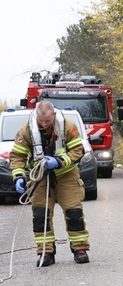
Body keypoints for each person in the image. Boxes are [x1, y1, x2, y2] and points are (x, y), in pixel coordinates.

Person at [9, 101, 91, 265]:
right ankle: (46, 252)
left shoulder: (67, 126)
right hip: (40, 176)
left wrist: (59, 162)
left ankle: (79, 249)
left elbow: (77, 151)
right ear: (36, 116)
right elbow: (17, 156)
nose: (44, 124)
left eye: (47, 121)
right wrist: (18, 176)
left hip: (66, 174)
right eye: (41, 120)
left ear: (53, 115)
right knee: (41, 214)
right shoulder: (26, 130)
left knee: (74, 212)